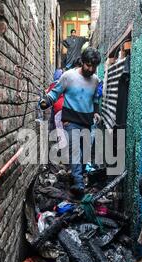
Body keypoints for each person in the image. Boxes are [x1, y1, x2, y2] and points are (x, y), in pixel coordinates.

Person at [40, 47, 102, 198]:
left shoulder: (95, 80)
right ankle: (79, 184)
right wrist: (45, 101)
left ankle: (77, 177)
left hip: (87, 121)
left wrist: (96, 112)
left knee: (84, 153)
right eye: (88, 65)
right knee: (75, 152)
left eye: (94, 66)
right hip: (71, 121)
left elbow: (95, 99)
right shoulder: (68, 76)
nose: (91, 69)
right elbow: (55, 93)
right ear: (82, 62)